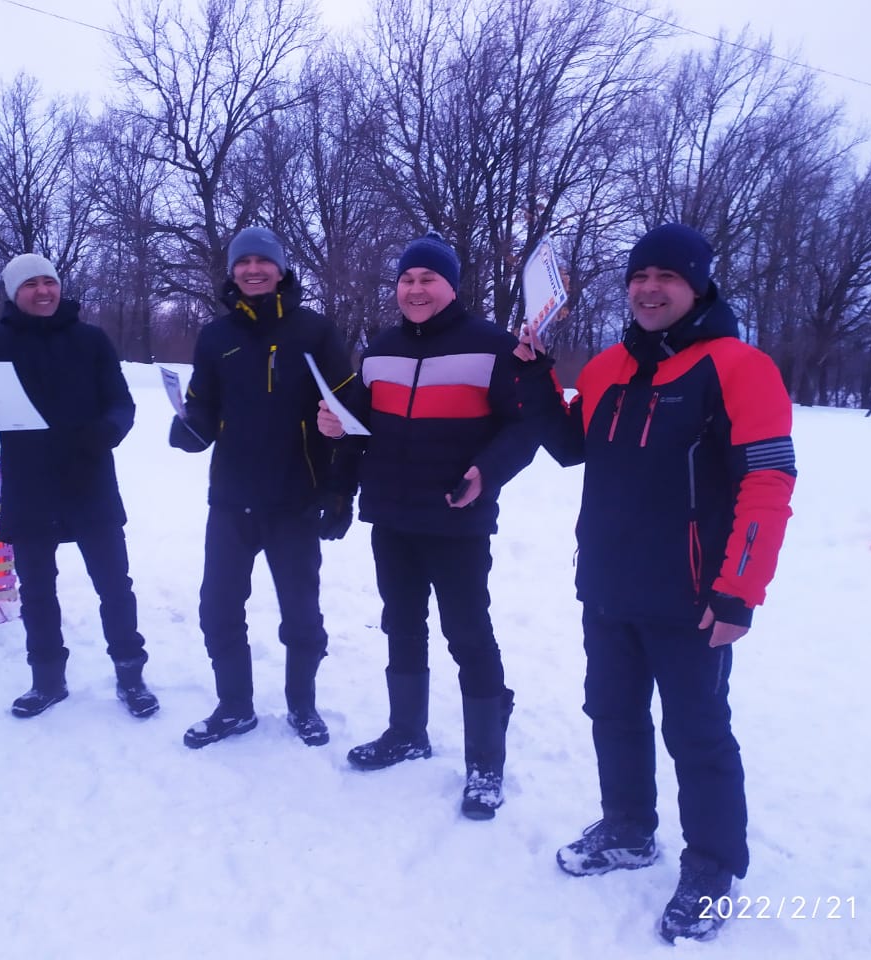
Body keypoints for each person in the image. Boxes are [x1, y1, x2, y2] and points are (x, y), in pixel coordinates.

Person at [516, 223, 796, 943]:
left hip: (693, 597)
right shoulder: (607, 367)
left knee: (697, 734)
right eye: (639, 277)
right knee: (611, 712)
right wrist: (536, 372)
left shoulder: (740, 368)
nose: (648, 289)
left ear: (697, 286)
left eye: (666, 277)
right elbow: (570, 445)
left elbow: (768, 484)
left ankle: (711, 867)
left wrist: (739, 591)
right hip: (608, 585)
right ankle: (628, 828)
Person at [317, 230, 535, 820]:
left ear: (451, 286)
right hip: (391, 516)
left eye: (428, 279)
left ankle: (485, 763)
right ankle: (407, 732)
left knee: (467, 634)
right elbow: (358, 425)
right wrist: (338, 475)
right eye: (407, 279)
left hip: (456, 516)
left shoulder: (491, 347)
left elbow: (523, 427)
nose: (415, 289)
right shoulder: (380, 349)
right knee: (402, 625)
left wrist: (485, 473)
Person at [169, 227, 357, 749]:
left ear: (281, 269)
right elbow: (203, 406)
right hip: (231, 500)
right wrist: (188, 428)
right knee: (218, 608)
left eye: (263, 261)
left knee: (301, 613)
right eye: (243, 262)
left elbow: (349, 411)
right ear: (232, 271)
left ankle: (302, 704)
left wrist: (340, 490)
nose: (253, 270)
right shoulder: (215, 337)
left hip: (296, 499)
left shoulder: (315, 332)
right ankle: (235, 707)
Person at [0, 253, 158, 720]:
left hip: (90, 479)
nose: (43, 291)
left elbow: (121, 403)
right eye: (31, 284)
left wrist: (108, 431)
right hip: (29, 485)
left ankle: (131, 673)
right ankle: (47, 680)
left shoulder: (91, 340)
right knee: (38, 590)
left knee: (115, 586)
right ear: (13, 292)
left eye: (49, 282)